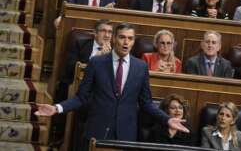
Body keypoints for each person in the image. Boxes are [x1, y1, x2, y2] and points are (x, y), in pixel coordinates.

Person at [35, 23, 189, 150]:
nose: (126, 42)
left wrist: (167, 119)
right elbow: (82, 97)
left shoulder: (140, 67)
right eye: (122, 37)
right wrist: (57, 108)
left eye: (130, 38)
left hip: (125, 134)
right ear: (114, 38)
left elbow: (146, 103)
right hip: (97, 130)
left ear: (134, 41)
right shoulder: (96, 63)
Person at [57, 19, 113, 101]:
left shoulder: (115, 52)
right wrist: (96, 59)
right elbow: (70, 67)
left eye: (110, 32)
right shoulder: (81, 44)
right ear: (95, 33)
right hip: (78, 84)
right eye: (103, 31)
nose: (107, 35)